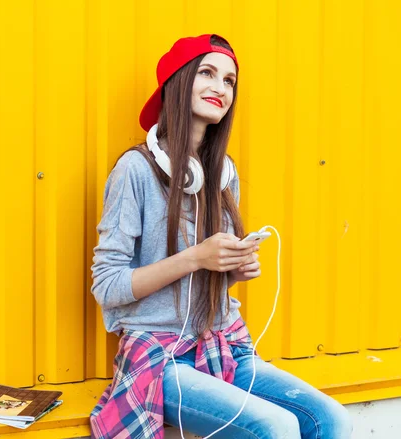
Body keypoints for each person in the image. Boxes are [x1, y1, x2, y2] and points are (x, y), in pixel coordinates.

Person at [89, 34, 352, 439]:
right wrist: (196, 257)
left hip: (222, 344)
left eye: (229, 81)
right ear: (177, 83)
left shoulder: (223, 176)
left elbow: (205, 281)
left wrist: (232, 270)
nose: (221, 88)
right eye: (207, 73)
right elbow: (107, 286)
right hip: (160, 358)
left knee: (332, 420)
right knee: (276, 427)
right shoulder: (134, 171)